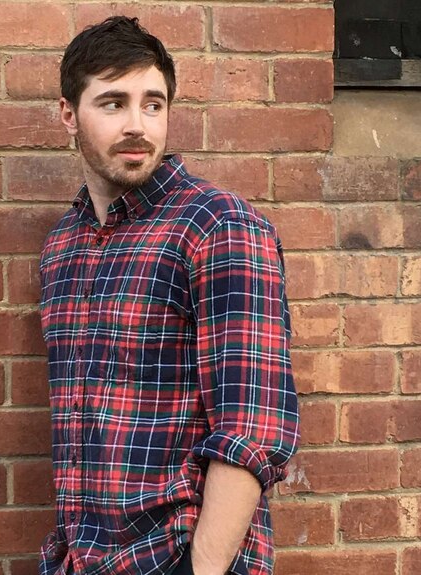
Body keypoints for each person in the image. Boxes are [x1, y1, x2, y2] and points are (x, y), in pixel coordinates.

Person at [38, 16, 299, 575]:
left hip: (177, 558)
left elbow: (253, 424)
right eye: (113, 103)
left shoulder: (217, 225)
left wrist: (201, 567)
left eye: (152, 104)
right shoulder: (64, 245)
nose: (137, 125)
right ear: (68, 114)